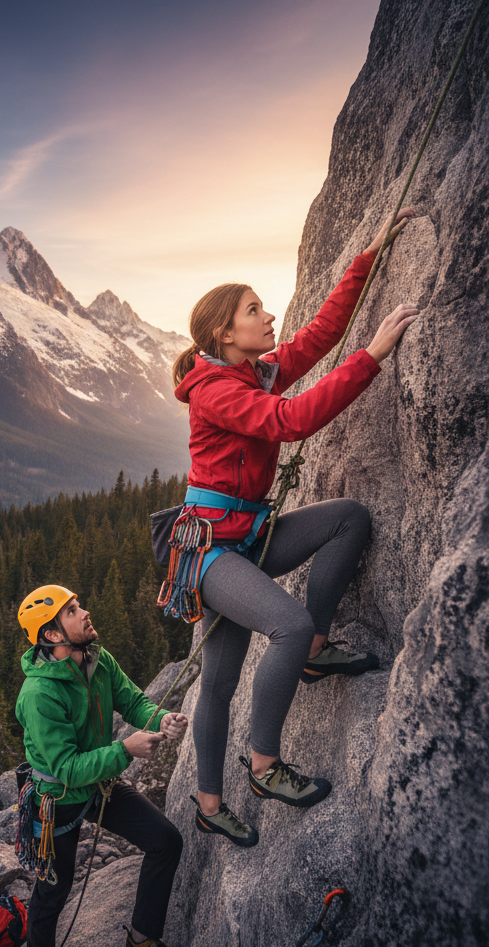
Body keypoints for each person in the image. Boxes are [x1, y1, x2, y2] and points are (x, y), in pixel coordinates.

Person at [170, 208, 419, 848]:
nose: (269, 316)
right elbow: (291, 421)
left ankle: (313, 653)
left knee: (348, 520)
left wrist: (368, 256)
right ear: (225, 333)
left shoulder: (251, 370)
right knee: (250, 657)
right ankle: (256, 772)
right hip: (211, 555)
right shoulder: (215, 391)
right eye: (253, 310)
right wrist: (372, 357)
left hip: (245, 539)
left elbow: (319, 335)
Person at [15, 585, 189, 947]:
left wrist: (161, 718)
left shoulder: (95, 658)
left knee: (165, 841)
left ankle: (142, 937)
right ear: (52, 635)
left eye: (78, 605)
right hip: (59, 800)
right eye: (72, 611)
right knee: (53, 892)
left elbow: (131, 700)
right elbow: (67, 768)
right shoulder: (39, 695)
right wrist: (125, 750)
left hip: (100, 784)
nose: (85, 612)